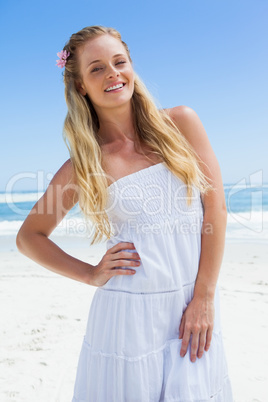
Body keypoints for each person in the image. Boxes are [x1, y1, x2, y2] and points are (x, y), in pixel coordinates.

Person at [16, 25, 233, 401]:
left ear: (132, 67)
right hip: (127, 318)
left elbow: (216, 207)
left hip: (191, 308)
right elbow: (29, 237)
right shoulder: (83, 166)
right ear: (81, 85)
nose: (112, 73)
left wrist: (204, 297)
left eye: (119, 62)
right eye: (96, 68)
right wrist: (90, 274)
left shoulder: (180, 123)